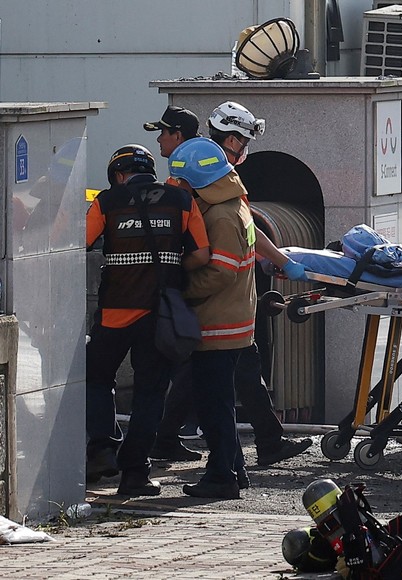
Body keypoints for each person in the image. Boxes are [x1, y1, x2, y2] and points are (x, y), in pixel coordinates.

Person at [152, 102, 312, 466]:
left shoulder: (211, 177)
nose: (245, 150)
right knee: (215, 380)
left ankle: (254, 445)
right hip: (216, 299)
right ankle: (230, 457)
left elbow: (244, 229)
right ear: (230, 138)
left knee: (226, 372)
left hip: (222, 299)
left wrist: (282, 261)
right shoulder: (207, 178)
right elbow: (231, 234)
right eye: (243, 141)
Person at [85, 145, 210, 496]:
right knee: (150, 392)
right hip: (158, 316)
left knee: (96, 378)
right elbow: (202, 254)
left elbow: (80, 241)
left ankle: (103, 449)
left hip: (113, 313)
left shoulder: (107, 201)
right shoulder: (182, 201)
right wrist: (169, 268)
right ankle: (135, 474)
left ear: (119, 175)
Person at [168, 137, 258, 499]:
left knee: (213, 407)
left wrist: (181, 291)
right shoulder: (231, 204)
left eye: (183, 183)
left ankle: (221, 477)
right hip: (233, 318)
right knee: (218, 402)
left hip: (219, 322)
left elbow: (221, 272)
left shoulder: (219, 215)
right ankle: (235, 470)